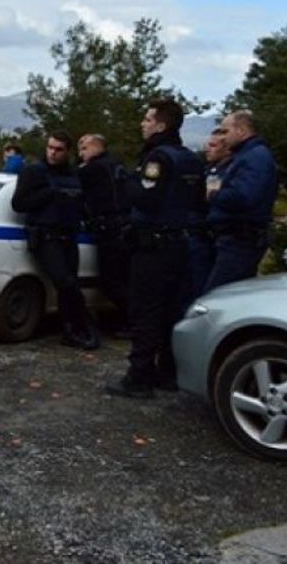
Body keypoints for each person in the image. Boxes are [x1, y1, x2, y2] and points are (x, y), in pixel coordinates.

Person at [106, 98, 204, 399]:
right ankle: (168, 373)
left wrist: (127, 181)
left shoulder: (158, 158)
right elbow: (198, 202)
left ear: (161, 124)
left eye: (148, 119)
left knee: (145, 311)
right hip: (180, 244)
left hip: (153, 246)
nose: (143, 123)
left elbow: (147, 198)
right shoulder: (189, 158)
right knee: (173, 311)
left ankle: (139, 379)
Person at [11, 131, 101, 351]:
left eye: (58, 149)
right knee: (66, 283)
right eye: (50, 147)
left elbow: (84, 205)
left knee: (70, 284)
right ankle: (83, 328)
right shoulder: (34, 172)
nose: (52, 153)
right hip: (45, 236)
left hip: (68, 236)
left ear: (67, 151)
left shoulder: (74, 175)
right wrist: (48, 194)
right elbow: (19, 203)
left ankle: (71, 330)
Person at [202, 110, 278, 294]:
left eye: (226, 132)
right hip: (233, 239)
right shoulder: (245, 156)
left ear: (242, 131)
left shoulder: (255, 157)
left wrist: (213, 194)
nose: (223, 138)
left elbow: (244, 197)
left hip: (241, 240)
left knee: (217, 297)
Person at [77, 133, 131, 317]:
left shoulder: (91, 170)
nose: (81, 154)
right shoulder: (118, 165)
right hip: (127, 226)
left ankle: (133, 322)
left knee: (111, 281)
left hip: (108, 229)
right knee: (125, 279)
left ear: (95, 146)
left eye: (84, 148)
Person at [188, 127, 232, 302]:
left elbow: (209, 199)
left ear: (227, 148)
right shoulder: (209, 169)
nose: (207, 149)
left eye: (213, 145)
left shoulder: (227, 172)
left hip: (209, 236)